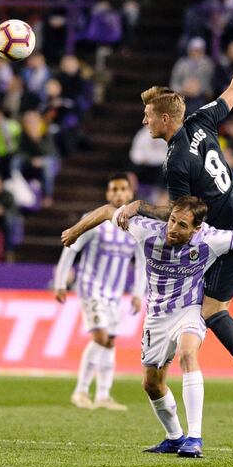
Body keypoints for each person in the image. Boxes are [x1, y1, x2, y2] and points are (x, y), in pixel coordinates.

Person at [60, 19, 233, 424]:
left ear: (166, 119)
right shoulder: (201, 119)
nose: (145, 121)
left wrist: (137, 207)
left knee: (213, 310)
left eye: (149, 116)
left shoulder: (175, 162)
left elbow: (178, 215)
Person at [61, 195, 233, 457]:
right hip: (156, 317)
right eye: (172, 220)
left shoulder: (211, 238)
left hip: (189, 310)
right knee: (151, 384)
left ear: (196, 228)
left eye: (182, 225)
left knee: (188, 352)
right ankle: (174, 437)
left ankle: (194, 438)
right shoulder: (147, 230)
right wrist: (76, 232)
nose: (173, 229)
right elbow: (107, 211)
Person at [54, 173, 146, 411]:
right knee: (100, 337)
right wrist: (60, 282)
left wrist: (138, 293)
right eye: (113, 189)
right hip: (91, 288)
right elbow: (70, 249)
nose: (117, 193)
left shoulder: (135, 224)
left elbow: (141, 261)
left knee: (110, 341)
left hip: (116, 294)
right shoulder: (93, 221)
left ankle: (103, 395)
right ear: (107, 194)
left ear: (130, 193)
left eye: (122, 189)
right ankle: (81, 391)